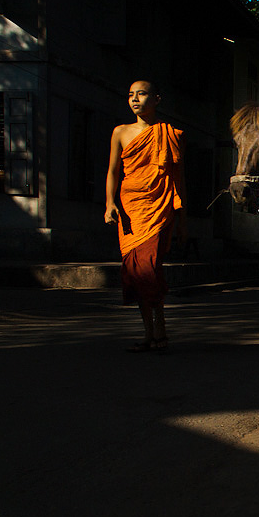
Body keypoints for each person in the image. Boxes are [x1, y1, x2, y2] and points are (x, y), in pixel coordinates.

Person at [105, 80, 186, 352]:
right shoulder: (120, 132)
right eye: (130, 95)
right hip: (131, 208)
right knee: (137, 272)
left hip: (159, 207)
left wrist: (182, 217)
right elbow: (113, 171)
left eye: (141, 94)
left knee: (150, 269)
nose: (135, 99)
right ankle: (149, 333)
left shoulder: (169, 134)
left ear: (156, 99)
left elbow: (178, 177)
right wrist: (109, 203)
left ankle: (159, 329)